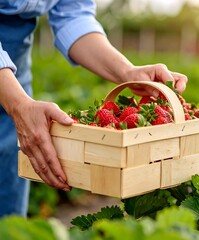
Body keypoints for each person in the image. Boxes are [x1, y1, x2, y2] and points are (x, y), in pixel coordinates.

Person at [0, 1, 188, 217]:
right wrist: (17, 104)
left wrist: (127, 72)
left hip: (16, 77)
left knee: (7, 215)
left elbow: (73, 17)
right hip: (14, 93)